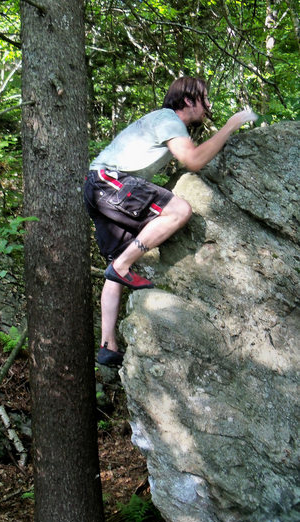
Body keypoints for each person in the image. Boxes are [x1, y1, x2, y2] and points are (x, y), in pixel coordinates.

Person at [84, 76, 257, 366]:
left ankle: (108, 345)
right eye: (204, 98)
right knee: (179, 210)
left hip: (100, 186)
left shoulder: (163, 122)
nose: (208, 105)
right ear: (188, 100)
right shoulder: (168, 118)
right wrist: (231, 125)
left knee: (116, 262)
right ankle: (123, 268)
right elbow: (193, 160)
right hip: (109, 181)